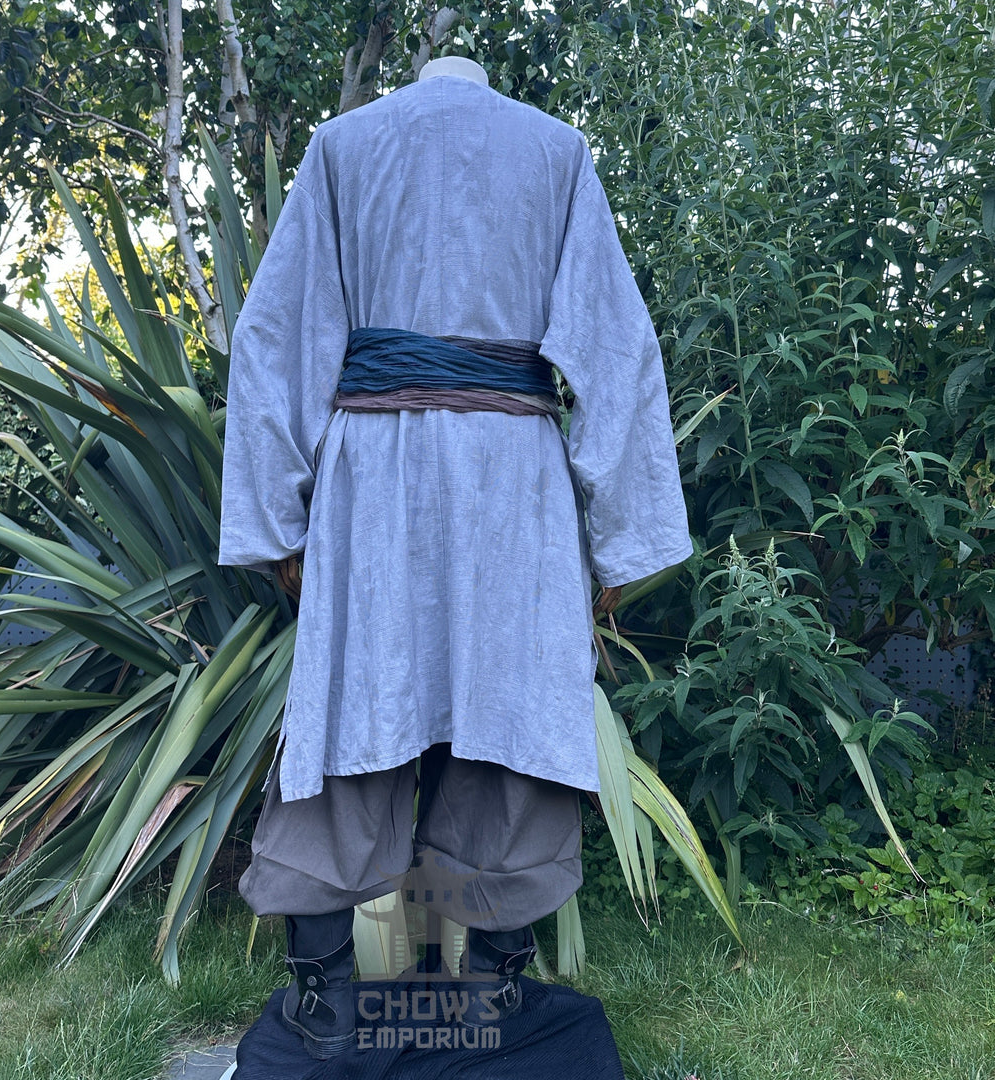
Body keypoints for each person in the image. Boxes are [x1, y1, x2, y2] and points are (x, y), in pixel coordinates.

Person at [217, 55, 692, 1059]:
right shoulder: (556, 152)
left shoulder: (344, 147)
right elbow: (613, 349)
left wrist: (279, 521)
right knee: (515, 727)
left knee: (349, 719)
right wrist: (620, 544)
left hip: (372, 480)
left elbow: (279, 339)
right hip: (511, 477)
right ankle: (495, 992)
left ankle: (322, 999)